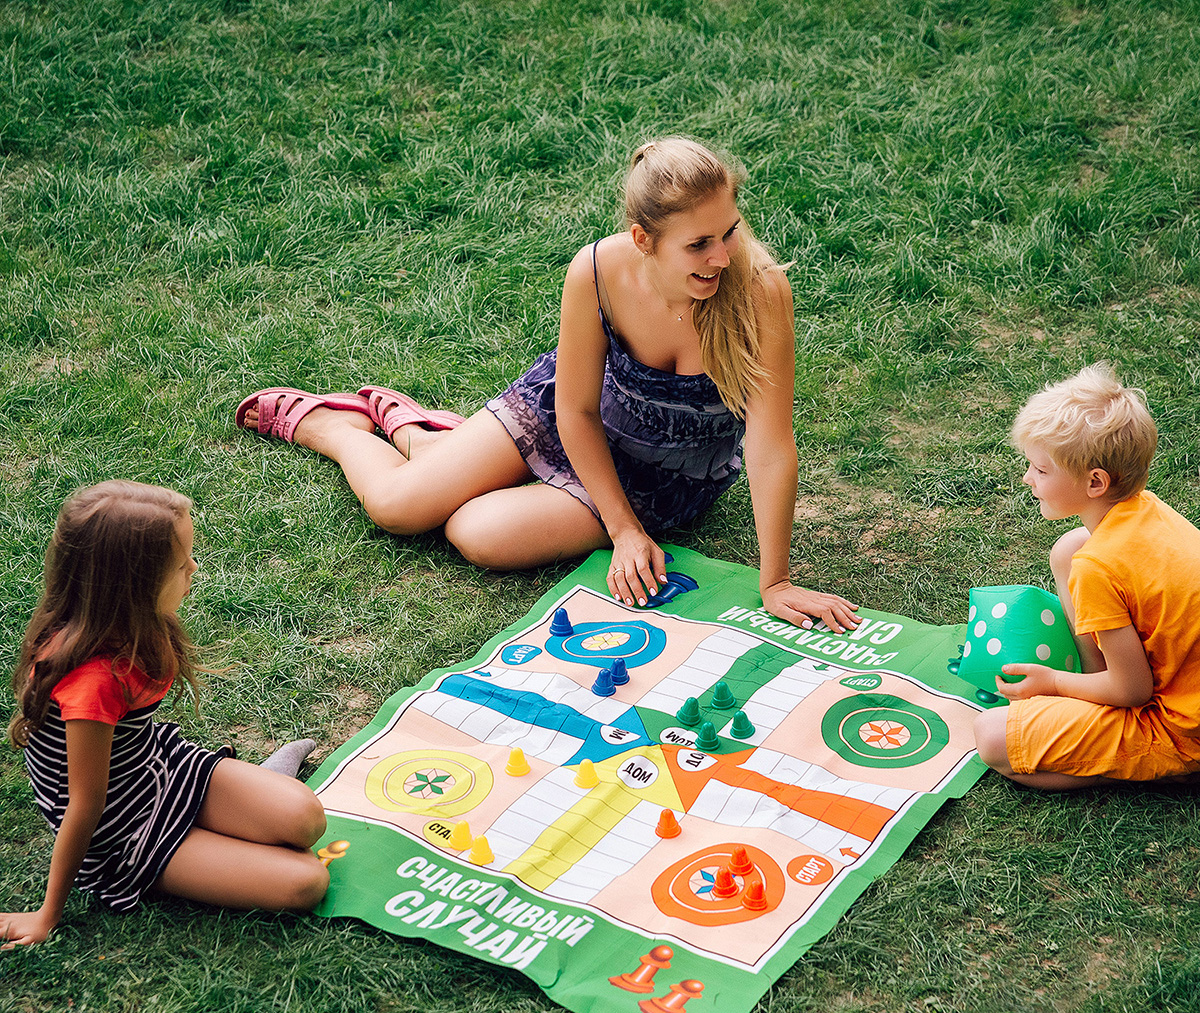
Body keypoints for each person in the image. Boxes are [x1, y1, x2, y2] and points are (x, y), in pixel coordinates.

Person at [237, 137, 860, 633]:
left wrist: (774, 581)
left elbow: (770, 444)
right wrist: (621, 532)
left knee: (475, 533)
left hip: (662, 476)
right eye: (698, 244)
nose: (722, 256)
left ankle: (426, 438)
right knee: (397, 508)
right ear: (644, 241)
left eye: (728, 231)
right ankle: (341, 428)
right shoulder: (596, 268)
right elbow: (577, 408)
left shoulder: (760, 293)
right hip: (566, 417)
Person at [2, 481, 330, 949]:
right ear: (132, 586)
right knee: (305, 882)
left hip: (154, 765)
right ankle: (187, 850)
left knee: (306, 818)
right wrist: (46, 915)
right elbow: (84, 803)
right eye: (181, 565)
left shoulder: (136, 622)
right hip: (119, 826)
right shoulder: (92, 680)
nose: (194, 569)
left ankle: (238, 819)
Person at [973, 364, 1200, 789]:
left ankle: (1147, 763)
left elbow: (1134, 690)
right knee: (1067, 549)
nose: (1027, 478)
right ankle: (1096, 683)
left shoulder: (1098, 567)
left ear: (1095, 482)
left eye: (1041, 470)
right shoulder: (1147, 507)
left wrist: (1055, 683)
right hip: (1181, 686)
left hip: (1182, 727)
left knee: (991, 736)